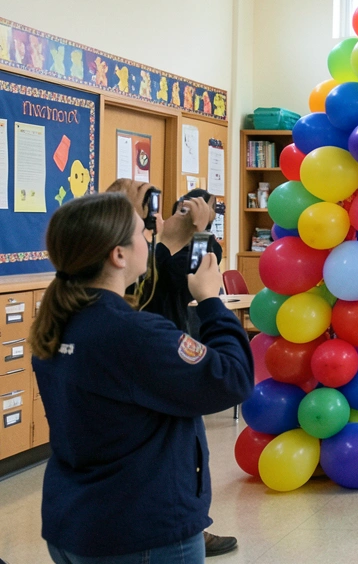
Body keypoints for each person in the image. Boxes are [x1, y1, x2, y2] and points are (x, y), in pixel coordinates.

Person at [33, 193, 252, 564]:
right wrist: (212, 302)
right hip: (141, 530)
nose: (151, 237)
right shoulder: (132, 333)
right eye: (142, 232)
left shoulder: (58, 322)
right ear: (118, 255)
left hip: (75, 520)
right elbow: (231, 378)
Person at [107, 180, 241, 557]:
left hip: (161, 352)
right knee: (167, 454)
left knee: (185, 452)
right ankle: (184, 530)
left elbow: (187, 275)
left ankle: (194, 525)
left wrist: (196, 232)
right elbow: (171, 275)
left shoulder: (153, 245)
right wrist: (194, 233)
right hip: (155, 357)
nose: (157, 212)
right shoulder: (141, 257)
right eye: (144, 206)